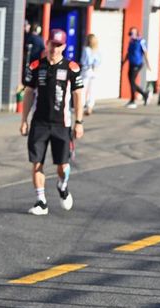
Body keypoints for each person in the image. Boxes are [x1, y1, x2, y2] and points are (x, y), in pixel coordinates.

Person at [20, 29, 83, 216]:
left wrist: (79, 122)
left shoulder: (72, 68)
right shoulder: (35, 66)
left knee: (62, 165)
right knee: (36, 162)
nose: (54, 48)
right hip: (39, 123)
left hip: (61, 124)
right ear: (46, 44)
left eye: (58, 45)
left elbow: (78, 95)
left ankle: (62, 186)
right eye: (51, 44)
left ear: (64, 47)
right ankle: (41, 202)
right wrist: (24, 120)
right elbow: (29, 93)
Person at [122, 27, 151, 109]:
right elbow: (128, 53)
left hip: (137, 64)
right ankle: (144, 94)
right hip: (131, 63)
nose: (131, 35)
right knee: (131, 82)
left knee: (132, 82)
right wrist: (124, 62)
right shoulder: (131, 41)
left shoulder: (141, 41)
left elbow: (145, 52)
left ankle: (133, 100)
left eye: (132, 33)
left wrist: (148, 64)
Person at [80, 34, 101, 116]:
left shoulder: (86, 49)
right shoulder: (97, 50)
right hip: (95, 70)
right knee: (92, 90)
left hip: (86, 70)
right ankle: (90, 107)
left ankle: (81, 107)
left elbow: (84, 61)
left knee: (83, 89)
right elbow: (99, 61)